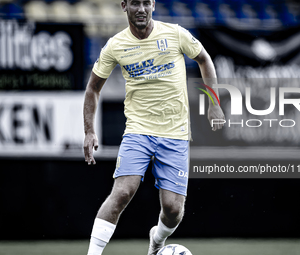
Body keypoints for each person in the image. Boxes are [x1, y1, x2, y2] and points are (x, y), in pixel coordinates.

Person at [83, 0, 225, 255]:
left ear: (153, 5)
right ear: (124, 6)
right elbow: (93, 88)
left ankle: (156, 242)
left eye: (146, 3)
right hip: (138, 131)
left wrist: (213, 103)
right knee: (122, 192)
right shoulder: (116, 45)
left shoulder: (175, 34)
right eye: (135, 3)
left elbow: (204, 59)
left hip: (176, 134)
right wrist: (89, 131)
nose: (141, 9)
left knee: (173, 210)